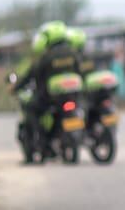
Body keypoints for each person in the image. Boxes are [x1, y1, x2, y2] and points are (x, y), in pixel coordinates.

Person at [14, 21, 79, 153]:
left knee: (31, 109)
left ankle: (39, 140)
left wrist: (16, 88)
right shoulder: (74, 53)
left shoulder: (46, 57)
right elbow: (79, 72)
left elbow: (33, 74)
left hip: (49, 99)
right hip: (72, 97)